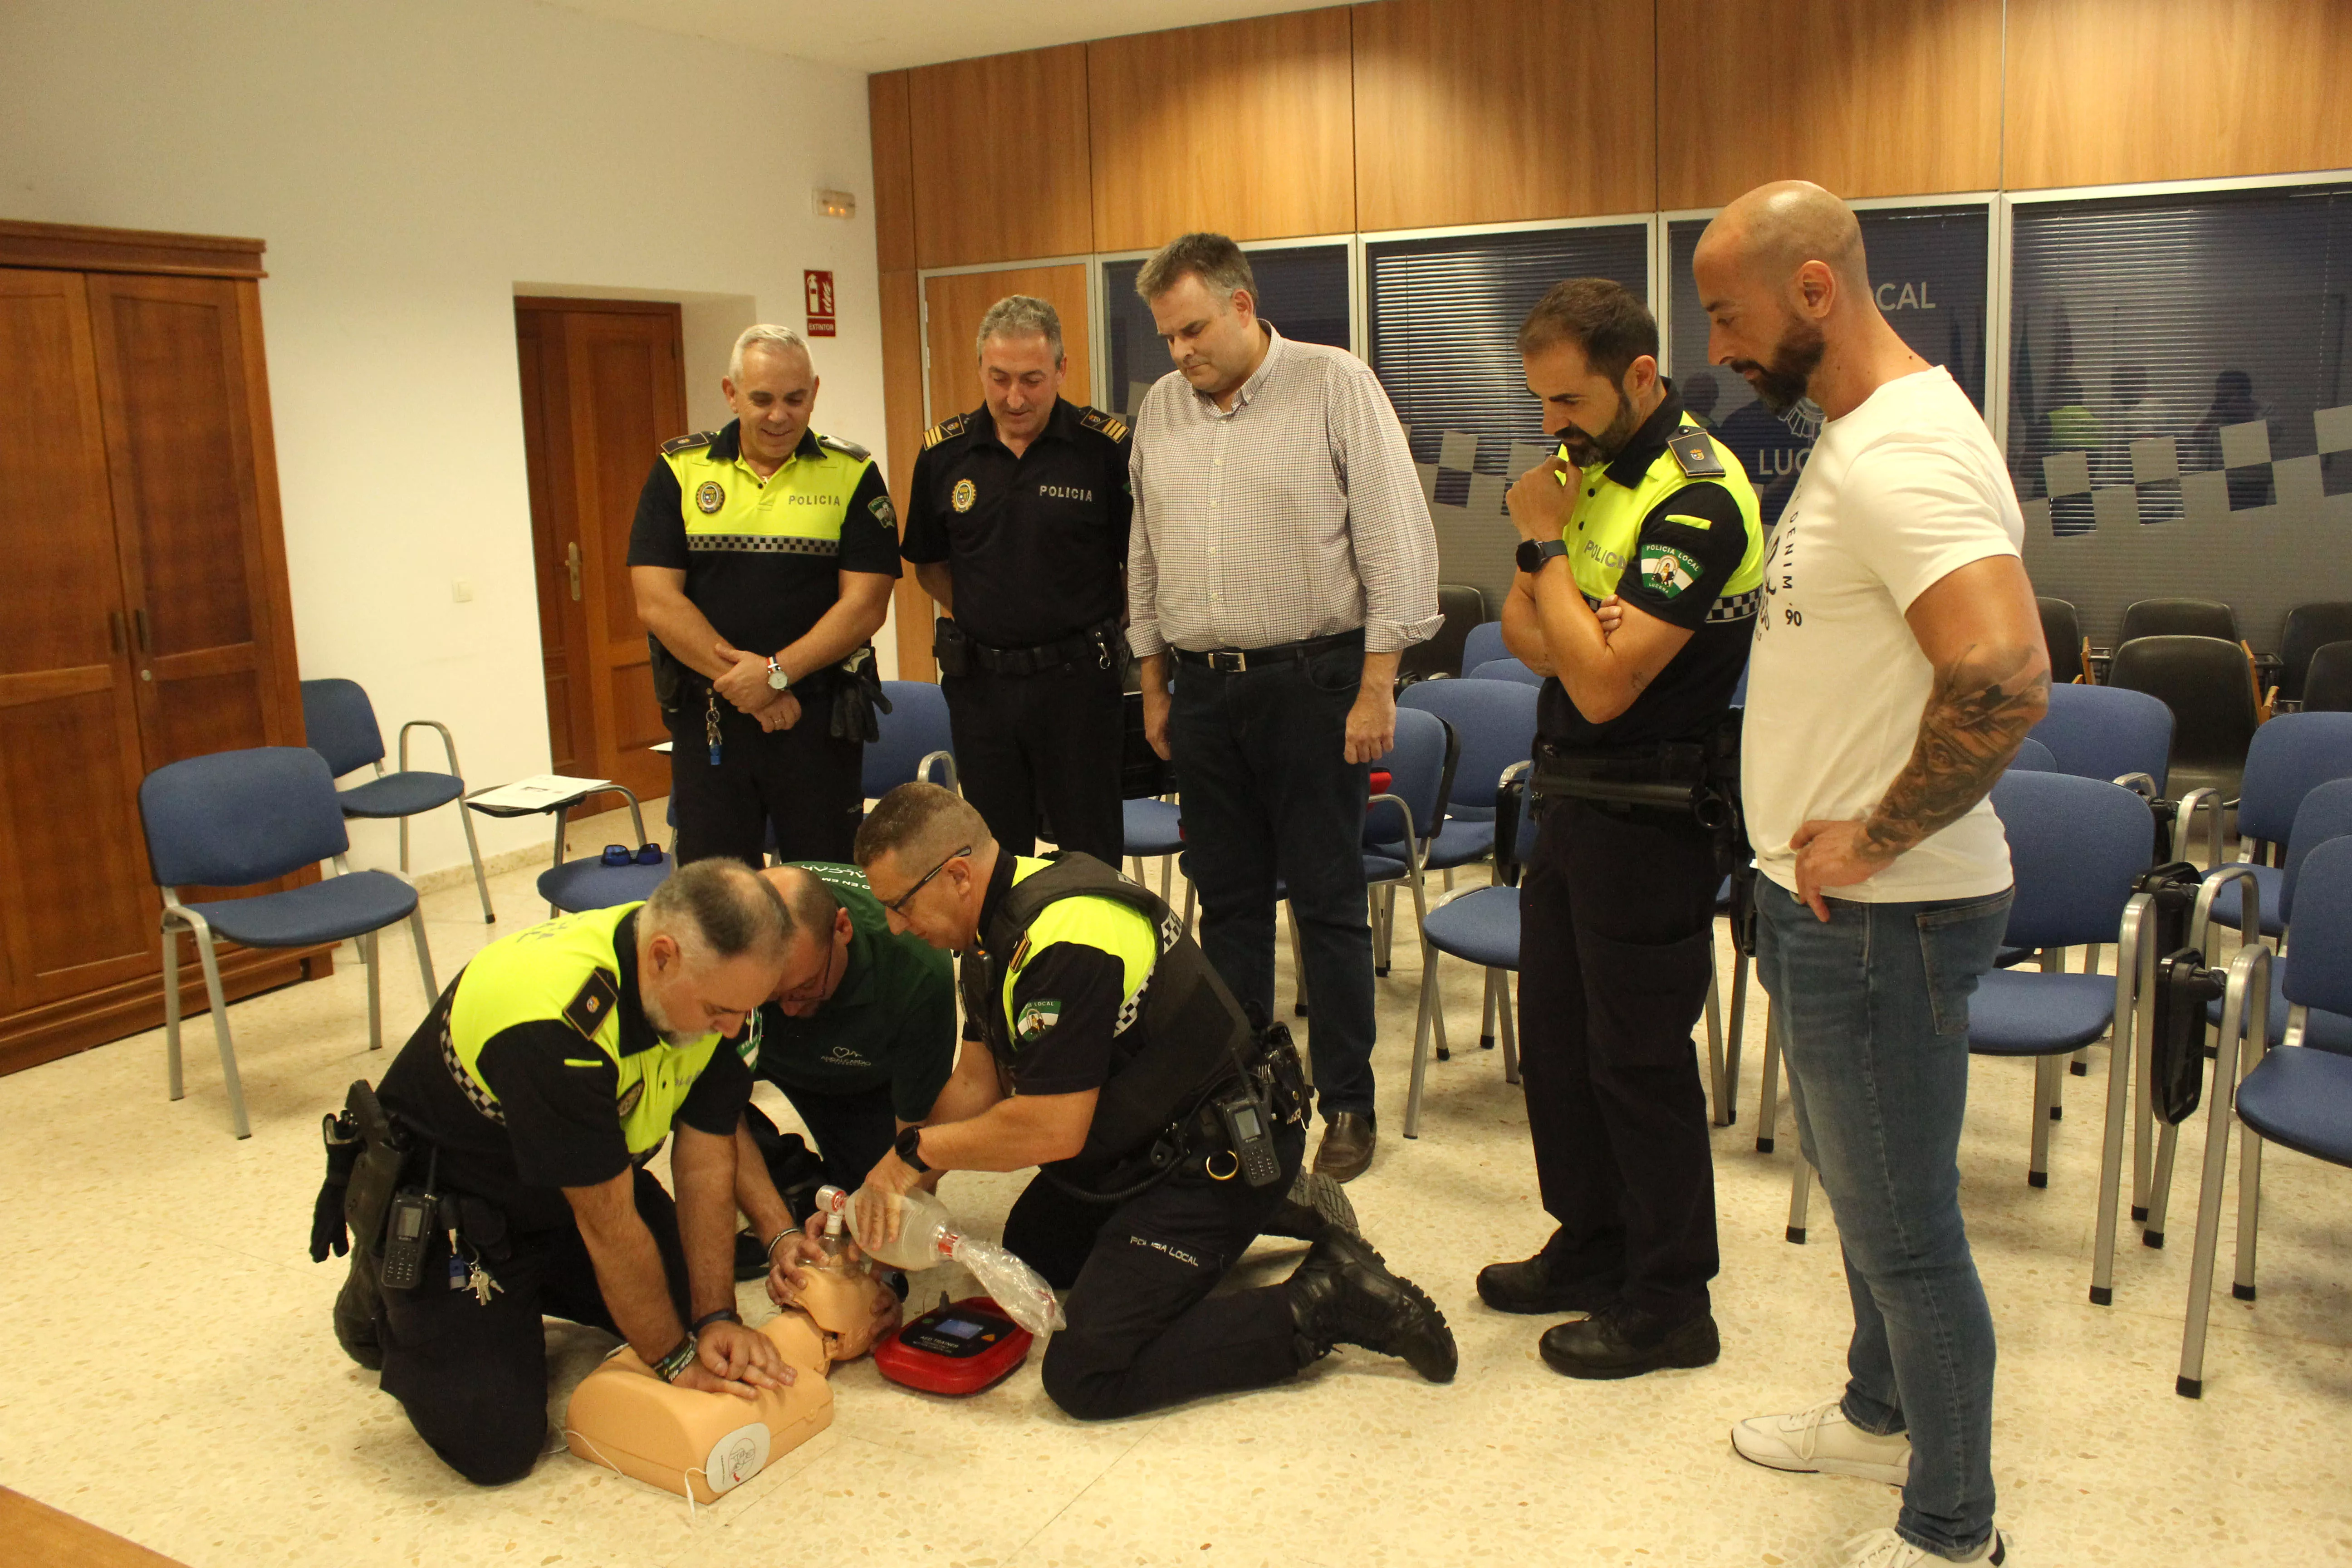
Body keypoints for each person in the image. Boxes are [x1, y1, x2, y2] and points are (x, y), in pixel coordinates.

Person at [1695, 180, 2047, 1567]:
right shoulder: (1863, 436)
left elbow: (2005, 674)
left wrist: (1877, 837)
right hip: (1830, 903)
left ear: (1815, 294)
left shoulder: (1901, 453)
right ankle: (1875, 1406)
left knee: (1906, 1230)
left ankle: (1953, 1528)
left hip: (1886, 916)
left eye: (1730, 313)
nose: (1721, 344)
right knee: (1865, 1190)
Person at [848, 783, 1456, 1419]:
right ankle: (1275, 1203)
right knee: (1035, 1249)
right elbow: (977, 1084)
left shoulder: (1064, 942)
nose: (893, 925)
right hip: (1157, 1134)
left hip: (1218, 1150)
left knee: (1088, 1370)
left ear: (956, 875)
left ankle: (1327, 1298)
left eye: (898, 904)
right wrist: (890, 1186)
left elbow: (1053, 1130)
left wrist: (916, 1153)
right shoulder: (995, 927)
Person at [1487, 279, 1763, 1380]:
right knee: (1557, 1045)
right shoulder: (1590, 472)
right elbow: (1517, 631)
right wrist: (1571, 619)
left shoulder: (1697, 497)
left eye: (1567, 399)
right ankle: (1592, 1241)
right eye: (1540, 400)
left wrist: (1551, 560)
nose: (1550, 425)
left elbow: (1604, 689)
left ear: (1639, 376)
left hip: (1650, 816)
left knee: (1637, 1058)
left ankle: (1667, 1299)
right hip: (1571, 802)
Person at [1126, 232, 1441, 1182]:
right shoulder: (1161, 410)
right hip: (1203, 688)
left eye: (1192, 330)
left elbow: (1396, 541)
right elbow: (1144, 552)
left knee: (1328, 900)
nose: (1181, 353)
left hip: (1317, 684)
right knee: (1226, 906)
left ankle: (1347, 1099)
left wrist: (1379, 683)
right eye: (1167, 338)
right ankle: (1242, 1089)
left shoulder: (1334, 384)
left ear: (1242, 304)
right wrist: (1152, 683)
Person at [340, 859, 798, 1485]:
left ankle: (531, 1304)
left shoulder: (719, 995)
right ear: (662, 956)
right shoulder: (557, 1024)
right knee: (494, 1444)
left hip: (583, 1181)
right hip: (462, 1212)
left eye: (747, 1009)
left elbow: (705, 1158)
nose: (733, 1029)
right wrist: (672, 1360)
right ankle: (378, 1292)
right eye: (720, 1009)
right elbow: (609, 1226)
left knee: (692, 1309)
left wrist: (716, 1316)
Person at [629, 323, 900, 868]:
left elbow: (866, 605)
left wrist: (776, 673)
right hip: (713, 724)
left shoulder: (854, 474)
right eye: (762, 399)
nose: (780, 415)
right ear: (731, 395)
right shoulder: (680, 472)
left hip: (819, 721)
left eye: (795, 399)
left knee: (824, 890)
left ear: (814, 393)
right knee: (718, 898)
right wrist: (753, 689)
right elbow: (657, 601)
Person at [901, 295, 1132, 866]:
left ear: (1061, 369)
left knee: (1090, 852)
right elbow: (929, 564)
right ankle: (1004, 958)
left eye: (1031, 379)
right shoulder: (945, 454)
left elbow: (1141, 568)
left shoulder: (1105, 451)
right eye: (999, 378)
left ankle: (1096, 957)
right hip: (983, 688)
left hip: (1080, 685)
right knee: (993, 858)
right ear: (980, 368)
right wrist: (987, 616)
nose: (1014, 397)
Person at [724, 860, 958, 1270]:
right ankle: (788, 1177)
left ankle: (809, 1183)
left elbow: (919, 1141)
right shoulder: (723, 950)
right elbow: (710, 1114)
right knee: (685, 1097)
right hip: (769, 1058)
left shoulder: (914, 969)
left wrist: (883, 1274)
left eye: (804, 988)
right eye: (770, 996)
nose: (791, 1010)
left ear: (842, 929)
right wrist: (779, 1235)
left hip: (863, 1078)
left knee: (874, 1210)